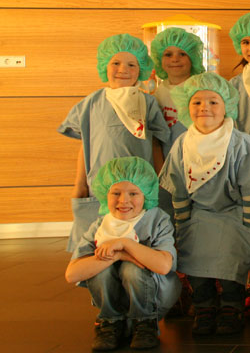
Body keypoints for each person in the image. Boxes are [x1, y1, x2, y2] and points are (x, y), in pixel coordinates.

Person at [159, 72, 250, 335]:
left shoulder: (241, 144)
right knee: (195, 259)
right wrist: (182, 225)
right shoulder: (182, 144)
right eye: (197, 102)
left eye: (213, 102)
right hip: (197, 215)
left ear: (227, 106)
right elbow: (178, 189)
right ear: (186, 107)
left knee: (231, 262)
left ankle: (232, 307)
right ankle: (204, 307)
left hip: (234, 215)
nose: (204, 108)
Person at [59, 34, 170, 252]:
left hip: (139, 186)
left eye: (132, 64)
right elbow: (85, 145)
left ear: (141, 69)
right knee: (98, 242)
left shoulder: (147, 102)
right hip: (100, 184)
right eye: (116, 63)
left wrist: (160, 182)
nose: (123, 69)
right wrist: (79, 184)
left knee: (139, 241)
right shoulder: (91, 104)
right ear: (104, 66)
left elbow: (156, 145)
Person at [65, 157, 180, 351]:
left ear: (146, 194)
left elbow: (163, 265)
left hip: (153, 296)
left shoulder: (157, 221)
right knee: (100, 268)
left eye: (133, 193)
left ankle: (144, 322)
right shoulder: (100, 226)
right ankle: (110, 322)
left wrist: (125, 243)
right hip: (116, 297)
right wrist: (118, 256)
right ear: (105, 193)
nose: (124, 200)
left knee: (131, 269)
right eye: (116, 193)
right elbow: (72, 274)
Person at [149, 27, 206, 151]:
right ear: (159, 59)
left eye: (182, 54)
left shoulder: (201, 89)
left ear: (193, 58)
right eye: (168, 54)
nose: (175, 59)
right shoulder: (158, 92)